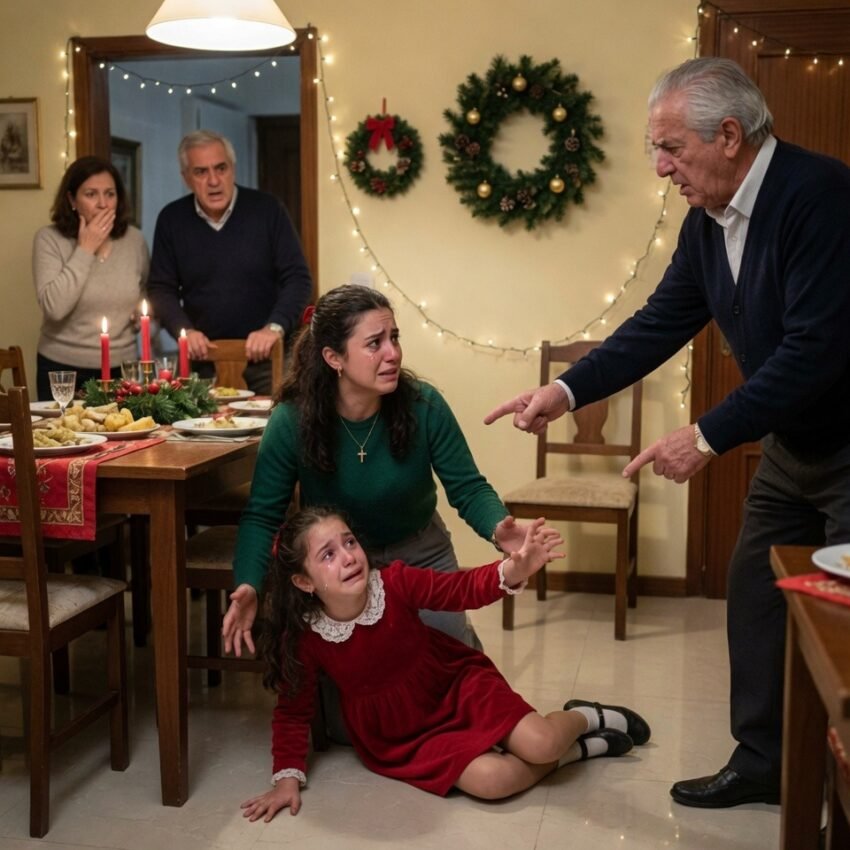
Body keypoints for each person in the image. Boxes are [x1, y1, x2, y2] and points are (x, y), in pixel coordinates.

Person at [485, 57, 850, 810]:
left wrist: (706, 436)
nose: (660, 168)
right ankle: (766, 764)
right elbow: (657, 324)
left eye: (671, 148)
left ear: (728, 136)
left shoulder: (821, 196)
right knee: (755, 590)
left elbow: (816, 351)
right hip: (794, 448)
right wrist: (565, 390)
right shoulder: (706, 223)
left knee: (842, 629)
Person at [240, 507, 651, 820]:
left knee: (541, 743)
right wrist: (287, 778)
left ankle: (585, 716)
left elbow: (460, 589)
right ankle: (580, 752)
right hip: (402, 735)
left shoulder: (394, 583)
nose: (348, 557)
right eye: (328, 555)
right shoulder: (307, 636)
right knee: (493, 782)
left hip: (453, 684)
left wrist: (513, 568)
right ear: (304, 581)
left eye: (349, 542)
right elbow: (293, 711)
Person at [224, 283, 557, 658]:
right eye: (375, 343)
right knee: (354, 675)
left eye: (394, 338)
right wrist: (249, 584)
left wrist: (499, 528)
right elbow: (263, 515)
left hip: (421, 555)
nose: (393, 353)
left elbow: (468, 488)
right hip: (340, 567)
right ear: (334, 357)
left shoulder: (424, 404)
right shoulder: (291, 420)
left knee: (449, 660)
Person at [146, 129, 312, 395]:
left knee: (280, 421)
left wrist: (274, 327)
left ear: (233, 169)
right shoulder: (171, 219)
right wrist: (184, 331)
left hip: (268, 360)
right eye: (201, 172)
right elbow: (160, 289)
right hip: (202, 362)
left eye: (221, 168)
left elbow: (298, 279)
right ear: (186, 178)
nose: (213, 180)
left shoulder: (268, 210)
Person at [32, 155, 149, 401]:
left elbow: (144, 292)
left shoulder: (134, 240)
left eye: (110, 194)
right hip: (64, 369)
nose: (103, 204)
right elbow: (55, 308)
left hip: (123, 367)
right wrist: (86, 248)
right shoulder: (49, 239)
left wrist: (139, 313)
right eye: (91, 194)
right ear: (72, 200)